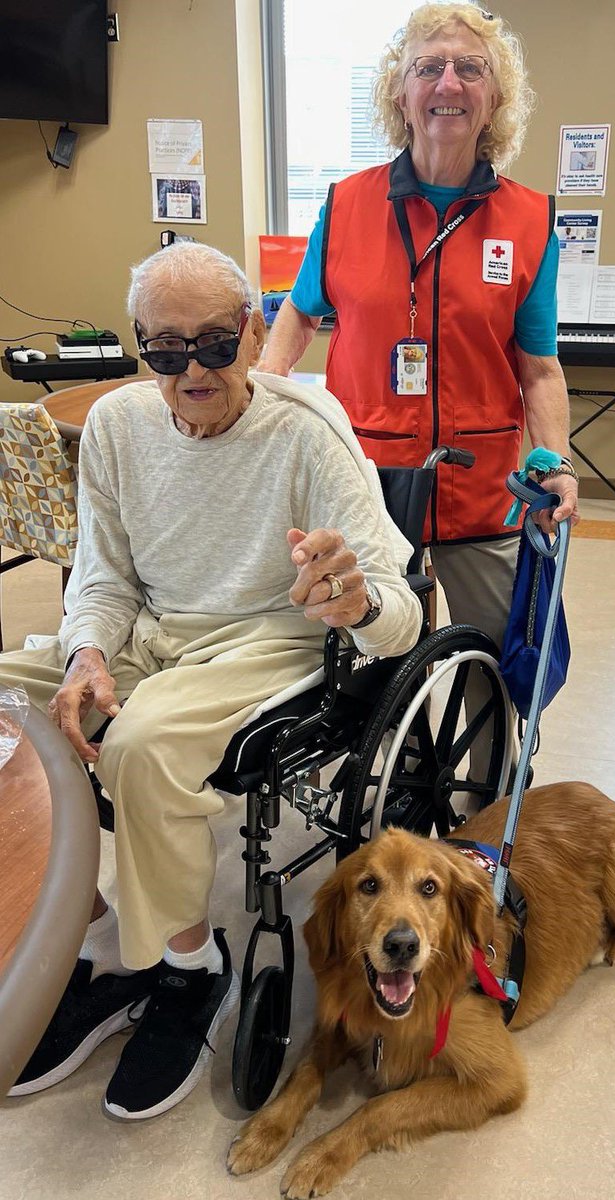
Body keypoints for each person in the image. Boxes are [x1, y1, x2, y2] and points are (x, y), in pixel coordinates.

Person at [0, 241, 422, 1120]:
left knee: (144, 743)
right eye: (164, 350)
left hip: (271, 634)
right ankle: (102, 943)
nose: (191, 369)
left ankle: (191, 971)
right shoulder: (118, 426)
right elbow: (104, 579)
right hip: (153, 625)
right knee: (11, 707)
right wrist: (85, 654)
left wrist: (352, 600)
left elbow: (401, 614)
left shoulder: (307, 432)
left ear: (254, 330)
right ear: (139, 346)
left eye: (214, 345)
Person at [261, 3, 579, 773]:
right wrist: (261, 405)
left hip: (481, 488)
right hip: (364, 481)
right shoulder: (347, 204)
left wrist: (558, 461)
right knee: (360, 654)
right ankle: (381, 796)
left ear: (495, 98)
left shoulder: (530, 221)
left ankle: (489, 808)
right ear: (399, 95)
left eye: (470, 68)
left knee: (495, 675)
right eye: (428, 67)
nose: (448, 83)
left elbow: (538, 366)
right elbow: (297, 319)